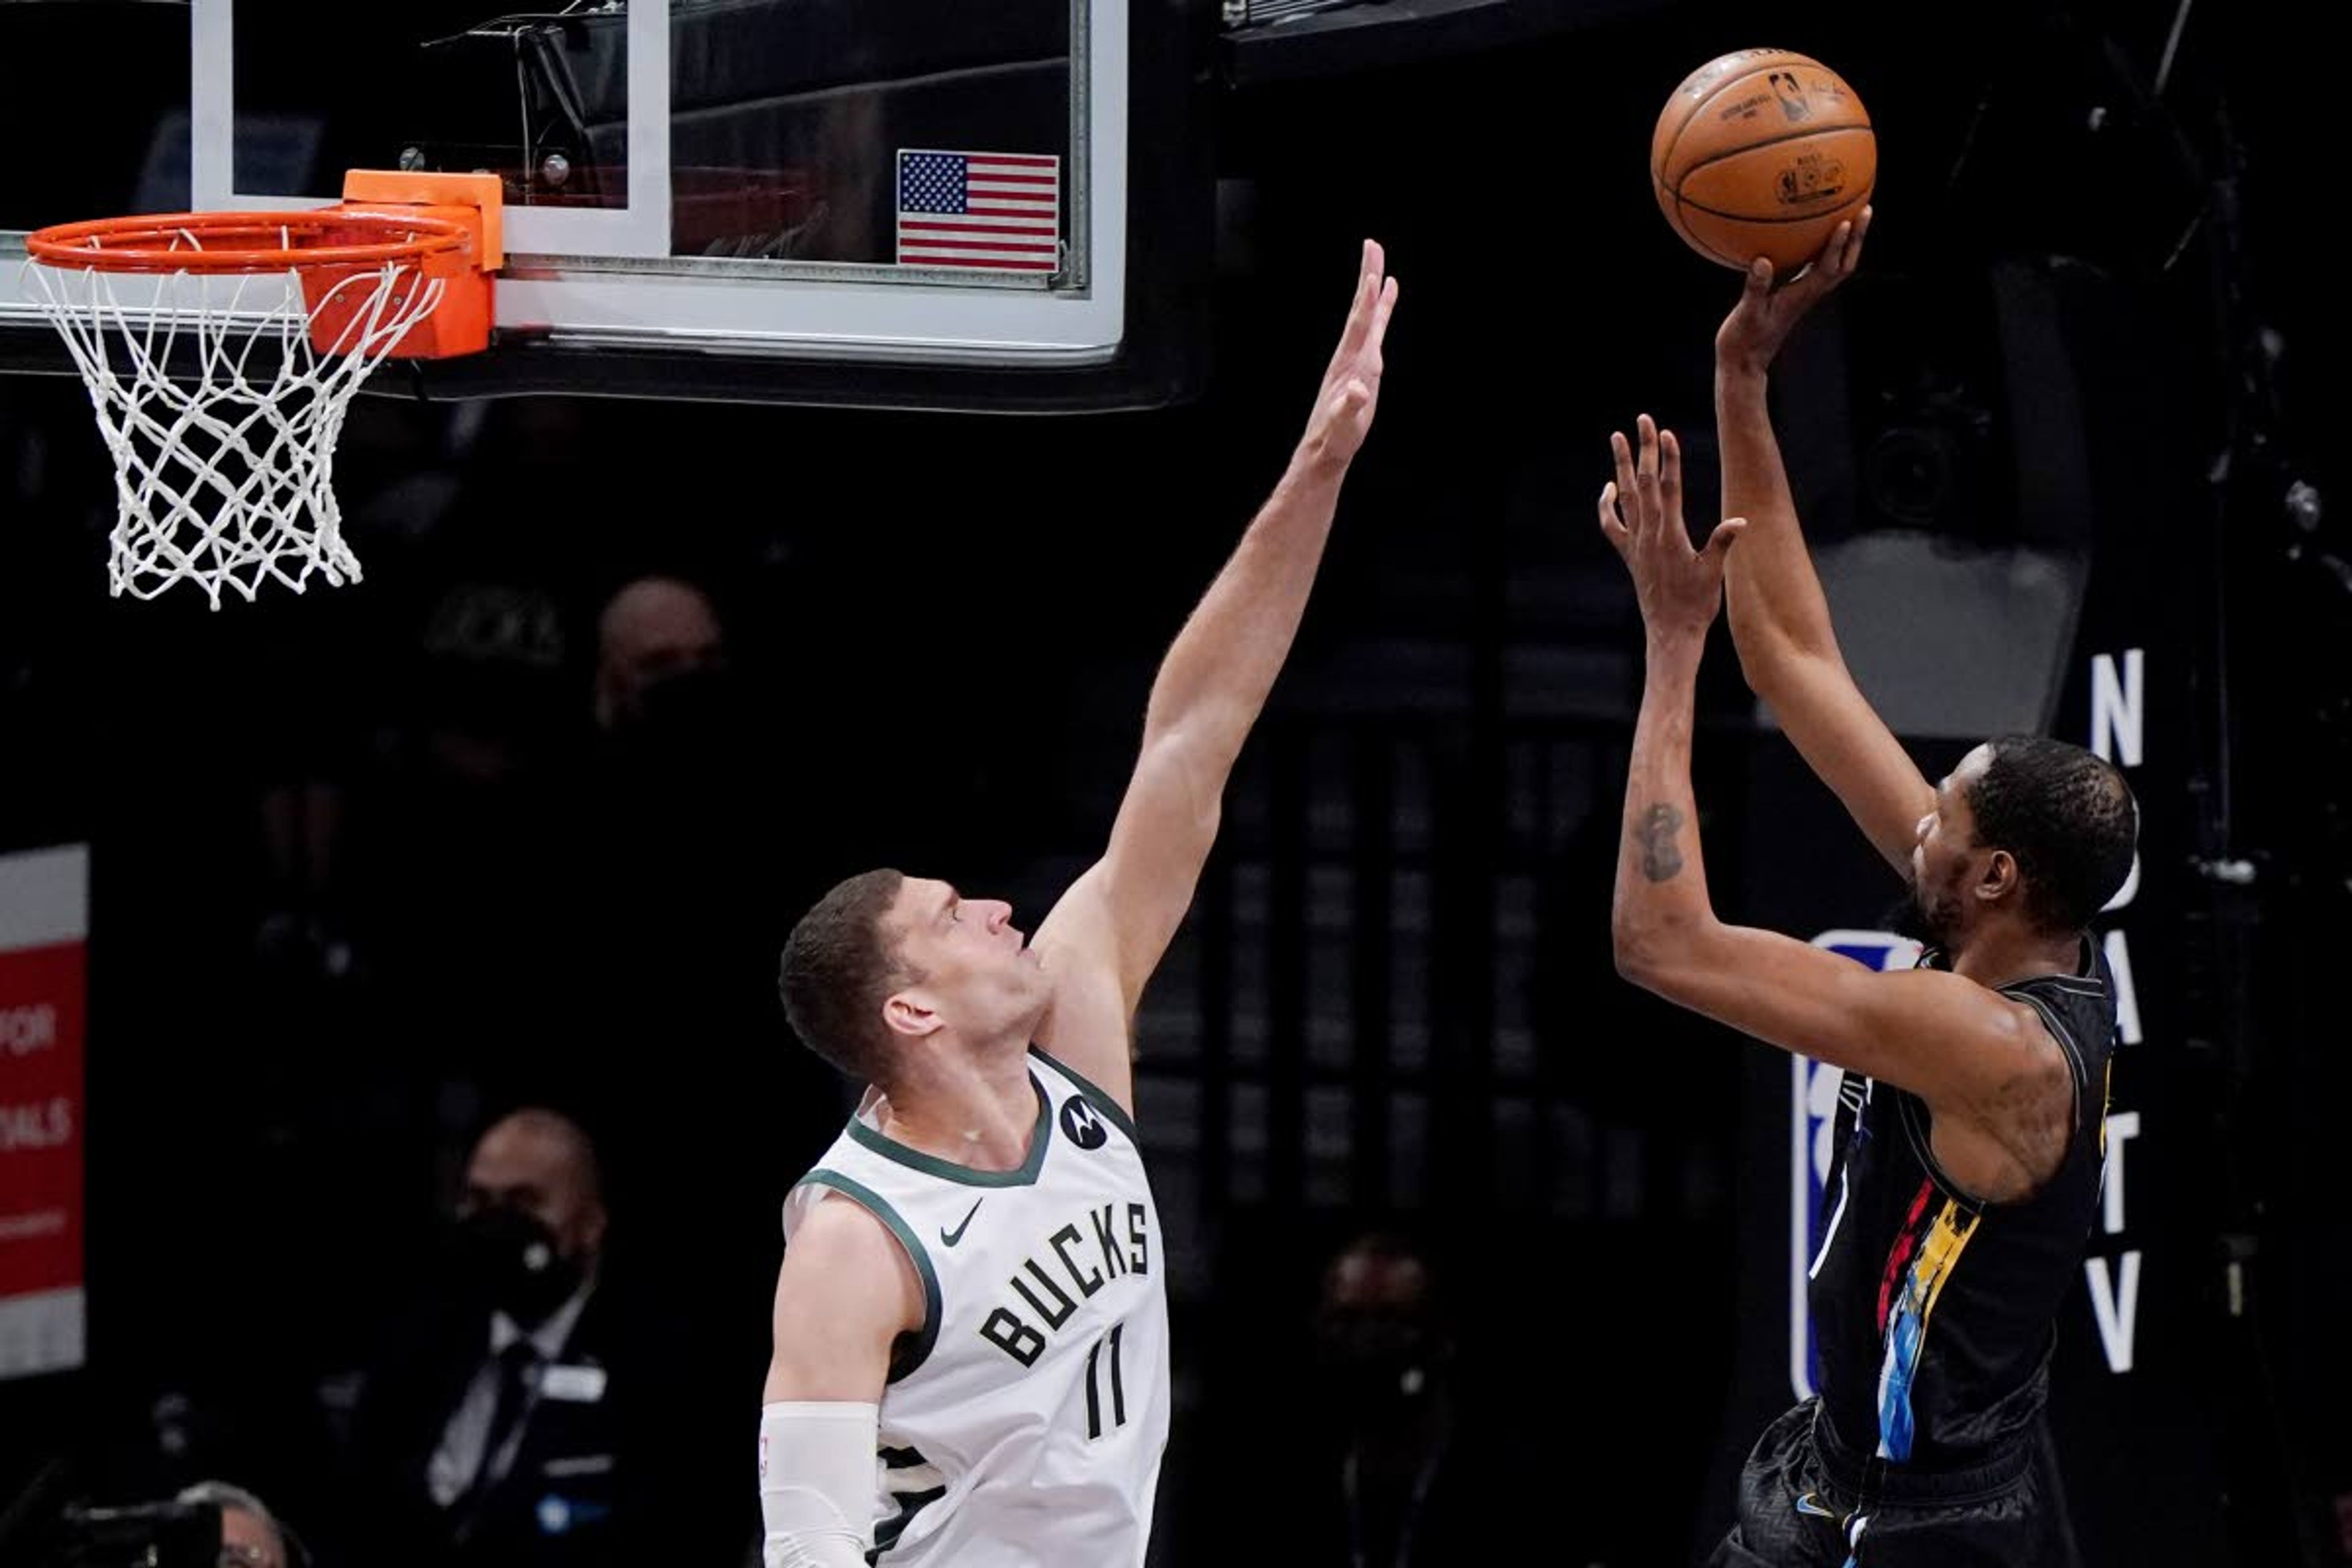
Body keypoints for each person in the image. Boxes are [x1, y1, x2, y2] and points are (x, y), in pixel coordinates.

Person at [755, 239, 1400, 1567]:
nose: (998, 905)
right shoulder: (856, 1238)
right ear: (913, 1005)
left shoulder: (1074, 1037)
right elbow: (806, 1539)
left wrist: (1317, 467)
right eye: (950, 914)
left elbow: (1194, 735)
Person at [1595, 209, 2135, 1565]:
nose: (1918, 813)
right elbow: (1796, 660)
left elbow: (1662, 942)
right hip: (1850, 1478)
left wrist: (1670, 649)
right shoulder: (2006, 931)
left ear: (1997, 871)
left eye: (1942, 805)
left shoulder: (1989, 1042)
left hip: (1921, 1532)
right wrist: (1743, 381)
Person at [345, 1107, 646, 1567]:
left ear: (590, 1223)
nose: (499, 1224)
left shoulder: (651, 1366)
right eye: (480, 1201)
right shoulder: (419, 1342)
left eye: (525, 1203)